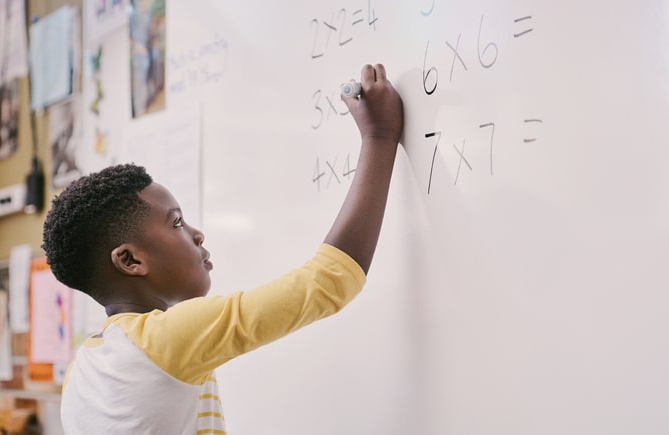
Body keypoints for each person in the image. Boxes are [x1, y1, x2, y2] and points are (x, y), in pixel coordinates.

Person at [42, 64, 403, 434]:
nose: (197, 234)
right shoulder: (166, 339)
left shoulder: (83, 367)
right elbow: (328, 283)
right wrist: (379, 136)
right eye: (177, 223)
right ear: (131, 260)